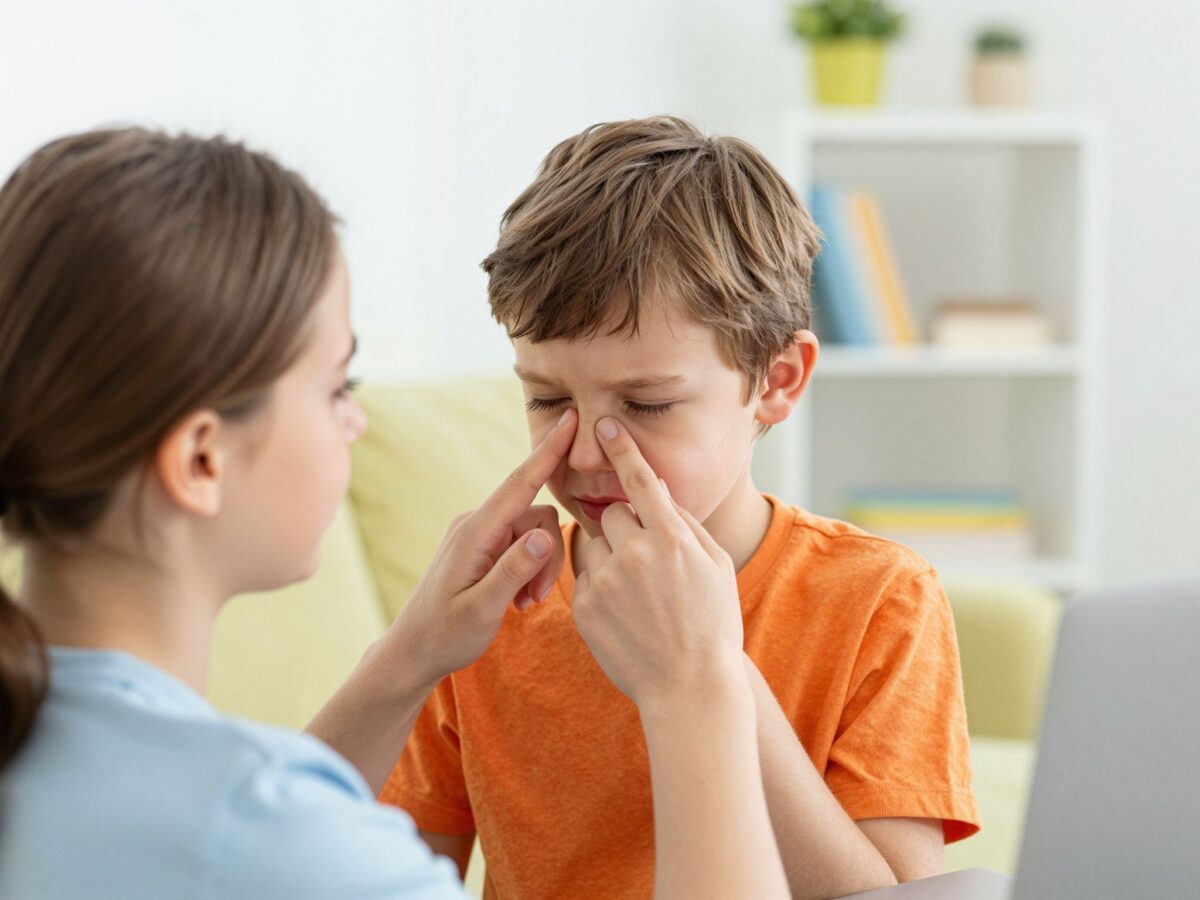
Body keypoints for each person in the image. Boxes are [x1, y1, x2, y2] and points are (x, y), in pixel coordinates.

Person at [0, 127, 787, 899]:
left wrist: (407, 659)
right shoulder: (267, 831)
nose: (356, 422)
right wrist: (697, 690)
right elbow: (272, 842)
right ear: (202, 460)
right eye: (336, 387)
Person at [381, 117, 982, 900]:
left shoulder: (879, 600)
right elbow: (375, 873)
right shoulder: (489, 611)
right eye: (548, 400)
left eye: (646, 405)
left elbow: (893, 895)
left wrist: (708, 669)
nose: (586, 453)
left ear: (777, 382)